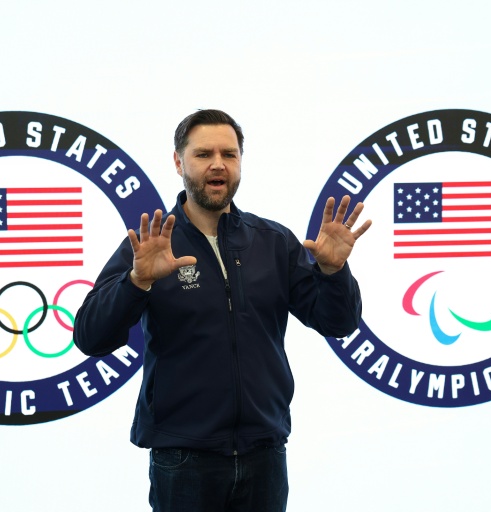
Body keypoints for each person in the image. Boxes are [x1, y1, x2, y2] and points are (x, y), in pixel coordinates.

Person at [73, 109, 371, 512]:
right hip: (184, 459)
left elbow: (339, 322)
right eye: (203, 154)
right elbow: (90, 337)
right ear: (178, 162)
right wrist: (137, 282)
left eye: (229, 154)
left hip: (264, 454)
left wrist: (333, 273)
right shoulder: (151, 245)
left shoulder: (273, 242)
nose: (218, 164)